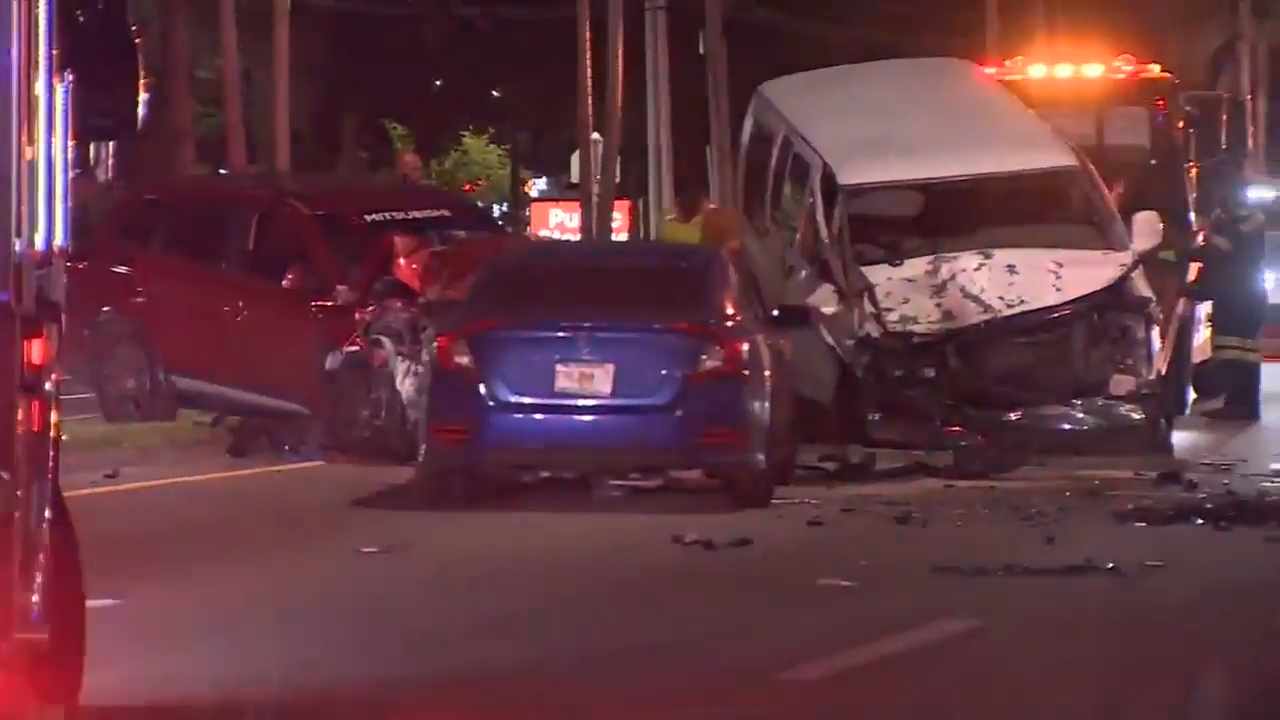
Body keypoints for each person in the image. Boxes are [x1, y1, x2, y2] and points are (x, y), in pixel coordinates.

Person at [1190, 160, 1266, 421]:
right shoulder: (1230, 217)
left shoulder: (1246, 219)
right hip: (1237, 294)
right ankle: (1239, 404)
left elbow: (1221, 250)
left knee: (1236, 351)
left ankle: (1241, 406)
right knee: (1237, 351)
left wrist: (1176, 254)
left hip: (1241, 297)